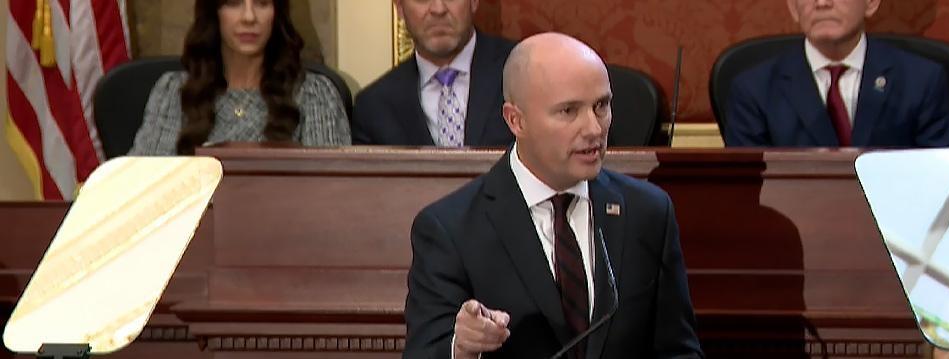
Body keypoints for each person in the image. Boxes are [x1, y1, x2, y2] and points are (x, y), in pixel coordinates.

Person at [404, 33, 704, 359]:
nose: (593, 128)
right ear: (516, 120)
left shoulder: (648, 213)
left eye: (601, 105)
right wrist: (460, 348)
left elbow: (679, 351)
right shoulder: (450, 230)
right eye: (568, 111)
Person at [723, 0, 949, 148]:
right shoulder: (753, 90)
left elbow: (937, 185)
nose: (822, 3)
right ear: (793, 8)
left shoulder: (921, 80)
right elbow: (749, 196)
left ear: (871, 3)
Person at [129, 0, 350, 156]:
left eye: (262, 3)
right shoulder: (174, 91)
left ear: (276, 13)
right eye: (234, 3)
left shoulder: (314, 95)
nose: (249, 17)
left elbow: (331, 197)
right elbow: (140, 191)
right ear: (214, 11)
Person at [352, 0, 515, 147]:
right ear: (400, 8)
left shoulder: (522, 74)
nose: (438, 9)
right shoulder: (373, 108)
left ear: (473, 2)